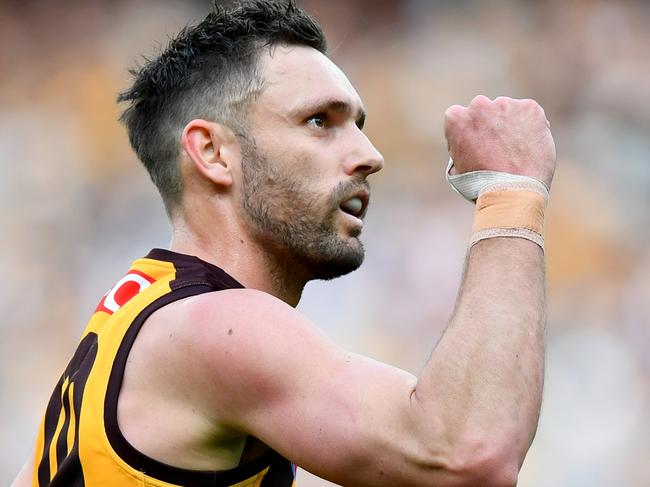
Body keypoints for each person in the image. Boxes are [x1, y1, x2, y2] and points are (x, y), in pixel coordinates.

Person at [12, 1, 556, 486]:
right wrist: (510, 190)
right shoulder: (215, 326)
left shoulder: (134, 313)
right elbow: (465, 455)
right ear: (212, 153)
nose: (370, 154)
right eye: (320, 121)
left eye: (359, 125)